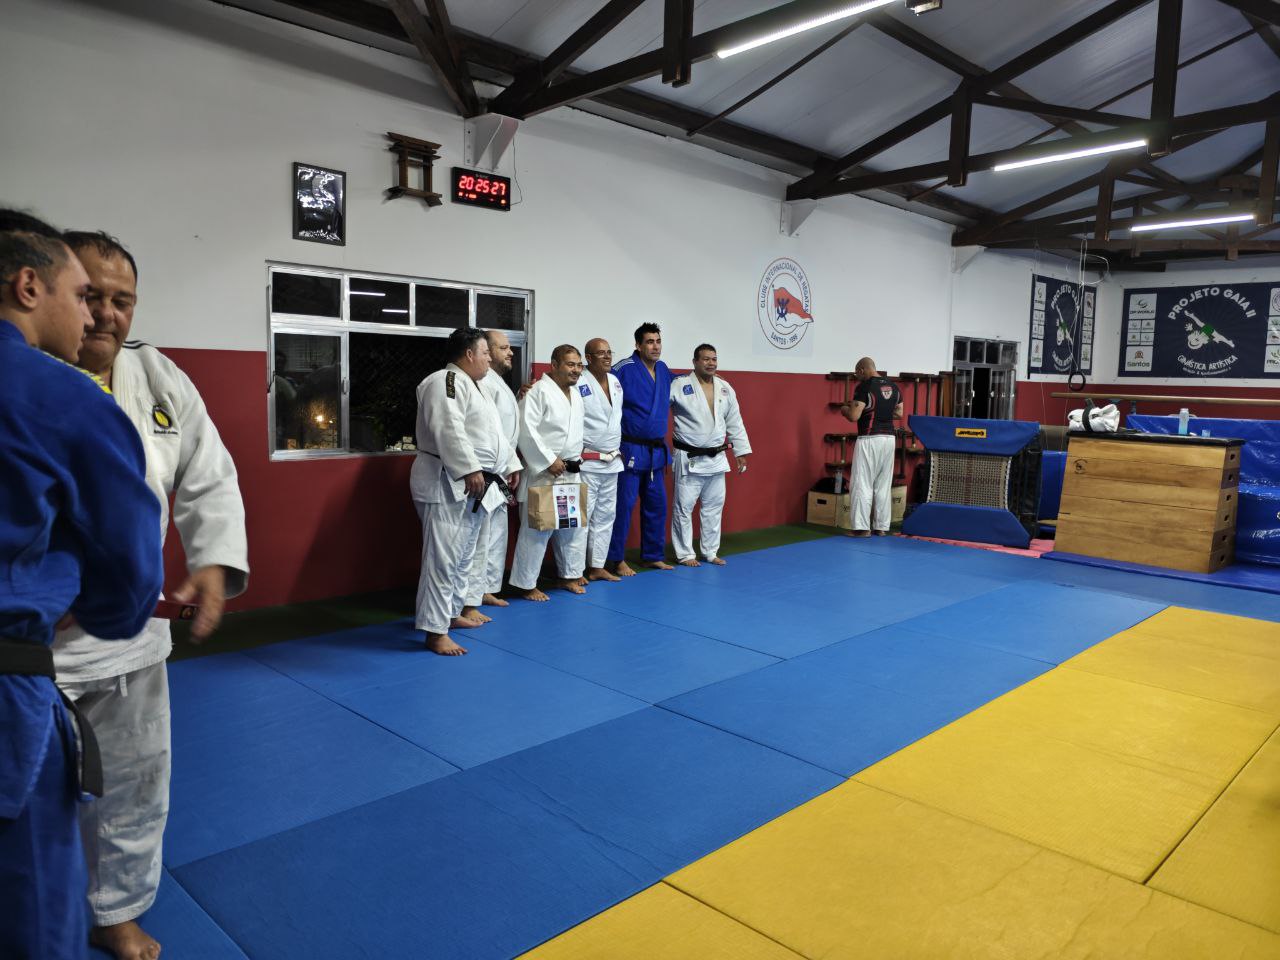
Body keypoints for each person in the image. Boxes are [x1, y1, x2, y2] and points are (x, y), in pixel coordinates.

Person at [52, 231, 248, 960]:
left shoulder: (157, 376)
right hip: (28, 639)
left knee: (136, 783)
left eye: (122, 300)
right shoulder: (23, 373)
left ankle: (115, 911)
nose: (106, 314)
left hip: (130, 632)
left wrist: (214, 561)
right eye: (90, 295)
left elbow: (208, 474)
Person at [0, 210, 163, 960]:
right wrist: (84, 605)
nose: (93, 316)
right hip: (13, 683)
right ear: (28, 287)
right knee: (33, 915)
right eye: (80, 294)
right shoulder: (61, 395)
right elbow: (129, 576)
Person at [410, 328, 518, 655]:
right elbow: (448, 427)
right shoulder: (445, 381)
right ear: (469, 354)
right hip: (446, 480)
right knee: (442, 559)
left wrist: (509, 464)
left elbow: (494, 434)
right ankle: (435, 631)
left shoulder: (476, 386)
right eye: (485, 353)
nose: (489, 360)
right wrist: (469, 467)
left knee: (462, 555)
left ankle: (452, 612)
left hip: (474, 484)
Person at [509, 345, 588, 600]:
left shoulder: (576, 394)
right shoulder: (537, 392)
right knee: (536, 530)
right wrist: (547, 460)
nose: (576, 370)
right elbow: (525, 430)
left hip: (570, 470)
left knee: (570, 528)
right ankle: (526, 584)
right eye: (570, 364)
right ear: (554, 365)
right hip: (545, 472)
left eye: (579, 365)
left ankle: (569, 575)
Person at [669, 344, 751, 566]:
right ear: (695, 362)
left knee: (714, 508)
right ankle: (685, 554)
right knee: (683, 509)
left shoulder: (725, 387)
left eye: (714, 359)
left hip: (716, 458)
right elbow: (658, 407)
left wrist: (741, 451)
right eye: (705, 359)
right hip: (689, 458)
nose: (711, 363)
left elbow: (735, 420)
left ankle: (710, 551)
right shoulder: (679, 385)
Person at [608, 323, 674, 574]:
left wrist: (704, 378)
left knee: (657, 504)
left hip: (655, 452)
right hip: (630, 449)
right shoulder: (624, 368)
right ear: (638, 345)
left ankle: (652, 555)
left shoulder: (663, 369)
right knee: (624, 505)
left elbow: (680, 384)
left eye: (658, 341)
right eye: (649, 342)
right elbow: (596, 383)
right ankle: (616, 559)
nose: (655, 346)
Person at [473, 330, 521, 609]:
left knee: (496, 533)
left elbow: (505, 433)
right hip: (485, 471)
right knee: (482, 536)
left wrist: (511, 463)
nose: (510, 352)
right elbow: (488, 433)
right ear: (488, 352)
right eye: (503, 348)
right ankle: (475, 591)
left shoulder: (497, 382)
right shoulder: (483, 383)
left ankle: (488, 588)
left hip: (500, 469)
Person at [578, 338, 624, 582]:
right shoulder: (579, 381)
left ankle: (597, 566)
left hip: (612, 461)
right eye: (601, 353)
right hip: (586, 462)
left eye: (609, 352)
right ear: (588, 357)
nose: (607, 357)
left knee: (606, 517)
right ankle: (575, 570)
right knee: (582, 518)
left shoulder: (615, 381)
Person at [841, 357, 902, 537]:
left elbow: (853, 416)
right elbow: (899, 412)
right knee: (883, 484)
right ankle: (881, 527)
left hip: (869, 438)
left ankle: (861, 528)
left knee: (862, 483)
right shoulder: (894, 387)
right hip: (889, 439)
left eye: (857, 373)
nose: (857, 377)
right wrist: (882, 412)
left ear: (862, 370)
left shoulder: (864, 387)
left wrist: (844, 409)